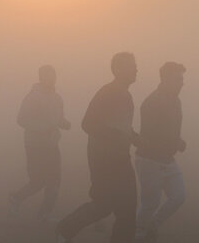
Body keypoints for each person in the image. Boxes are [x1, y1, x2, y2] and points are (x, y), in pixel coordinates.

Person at [56, 52, 142, 243]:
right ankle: (64, 229)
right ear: (119, 70)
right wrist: (115, 135)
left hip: (122, 159)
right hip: (103, 160)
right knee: (103, 205)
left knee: (128, 210)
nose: (136, 69)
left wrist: (135, 137)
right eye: (132, 66)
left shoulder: (126, 96)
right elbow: (87, 124)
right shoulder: (107, 93)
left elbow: (123, 126)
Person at [10, 65, 71, 223]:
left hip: (52, 144)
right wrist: (43, 128)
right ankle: (16, 198)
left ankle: (44, 214)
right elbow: (21, 119)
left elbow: (58, 119)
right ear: (41, 78)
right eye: (48, 76)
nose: (52, 79)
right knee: (38, 181)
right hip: (35, 145)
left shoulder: (57, 98)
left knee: (55, 181)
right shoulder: (32, 97)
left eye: (54, 76)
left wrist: (64, 123)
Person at [134, 62, 188, 242]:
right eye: (178, 79)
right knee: (150, 203)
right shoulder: (152, 102)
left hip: (167, 158)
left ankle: (153, 225)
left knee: (179, 195)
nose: (182, 83)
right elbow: (150, 135)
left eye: (182, 79)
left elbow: (172, 130)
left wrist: (176, 141)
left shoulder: (176, 101)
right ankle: (139, 235)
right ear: (165, 79)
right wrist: (175, 142)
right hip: (149, 160)